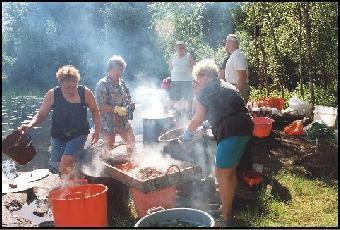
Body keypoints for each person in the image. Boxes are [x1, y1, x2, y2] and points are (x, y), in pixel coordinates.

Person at [181, 59, 253, 226]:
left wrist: (186, 134)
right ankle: (226, 209)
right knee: (229, 173)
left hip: (231, 131)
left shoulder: (205, 91)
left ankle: (226, 219)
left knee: (221, 175)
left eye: (198, 78)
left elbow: (198, 118)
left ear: (205, 75)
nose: (197, 81)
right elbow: (224, 109)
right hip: (245, 127)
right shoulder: (227, 85)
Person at [18, 65, 101, 180]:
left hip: (79, 134)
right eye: (68, 87)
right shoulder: (52, 94)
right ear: (61, 83)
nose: (71, 89)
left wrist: (97, 129)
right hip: (58, 136)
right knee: (56, 166)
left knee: (65, 163)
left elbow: (95, 110)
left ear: (77, 82)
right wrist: (30, 124)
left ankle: (67, 189)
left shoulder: (85, 92)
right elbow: (41, 115)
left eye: (74, 85)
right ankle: (71, 185)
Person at [95, 55, 136, 153]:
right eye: (117, 70)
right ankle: (108, 167)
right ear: (110, 69)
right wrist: (116, 109)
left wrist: (129, 105)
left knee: (131, 142)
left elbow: (127, 97)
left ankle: (133, 162)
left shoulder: (122, 83)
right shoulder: (102, 84)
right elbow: (100, 106)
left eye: (122, 70)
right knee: (109, 148)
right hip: (108, 122)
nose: (120, 73)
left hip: (122, 120)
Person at [169, 41, 196, 117]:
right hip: (175, 80)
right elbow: (170, 67)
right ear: (175, 48)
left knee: (188, 97)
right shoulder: (173, 56)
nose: (181, 49)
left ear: (185, 48)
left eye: (182, 47)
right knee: (176, 98)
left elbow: (194, 65)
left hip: (186, 80)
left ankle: (189, 113)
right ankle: (178, 113)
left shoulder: (188, 56)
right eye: (179, 47)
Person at [224, 34, 250, 103]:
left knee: (237, 113)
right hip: (234, 88)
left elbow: (242, 75)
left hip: (238, 89)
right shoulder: (234, 55)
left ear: (232, 43)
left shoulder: (237, 55)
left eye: (227, 42)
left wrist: (236, 92)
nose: (225, 44)